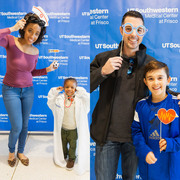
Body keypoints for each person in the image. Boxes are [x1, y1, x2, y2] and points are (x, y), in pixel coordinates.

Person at [90, 10, 179, 180]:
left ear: (143, 33)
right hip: (106, 136)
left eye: (139, 30)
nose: (134, 34)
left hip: (136, 137)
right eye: (129, 28)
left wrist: (178, 96)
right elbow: (84, 85)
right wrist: (103, 71)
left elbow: (160, 88)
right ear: (122, 30)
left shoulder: (149, 63)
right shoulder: (104, 59)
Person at [0, 12, 58, 167]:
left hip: (28, 91)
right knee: (17, 125)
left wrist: (47, 69)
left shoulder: (35, 51)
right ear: (24, 29)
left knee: (25, 125)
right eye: (30, 30)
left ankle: (21, 151)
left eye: (37, 33)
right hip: (10, 90)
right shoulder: (11, 41)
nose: (33, 35)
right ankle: (11, 152)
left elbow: (30, 72)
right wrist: (12, 28)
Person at [131, 60, 180, 180]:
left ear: (168, 80)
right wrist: (144, 150)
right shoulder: (140, 105)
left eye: (160, 78)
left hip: (172, 167)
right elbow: (136, 132)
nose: (156, 82)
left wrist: (172, 143)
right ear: (145, 82)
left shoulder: (177, 104)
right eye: (151, 78)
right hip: (149, 167)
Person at [47, 78, 90, 175]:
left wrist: (80, 91)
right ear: (63, 88)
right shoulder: (59, 99)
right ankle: (63, 155)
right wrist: (55, 91)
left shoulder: (79, 101)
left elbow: (88, 98)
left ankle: (71, 159)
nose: (69, 89)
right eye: (67, 87)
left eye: (72, 87)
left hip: (73, 129)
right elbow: (50, 101)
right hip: (62, 128)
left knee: (72, 145)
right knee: (62, 143)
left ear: (76, 89)